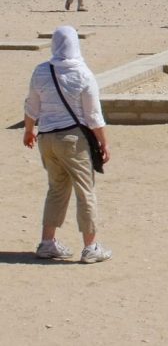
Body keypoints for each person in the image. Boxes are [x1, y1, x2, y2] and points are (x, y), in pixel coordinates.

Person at [23, 26, 112, 264]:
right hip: (73, 140)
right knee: (85, 191)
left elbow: (32, 105)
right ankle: (90, 246)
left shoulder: (41, 71)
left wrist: (29, 130)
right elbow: (93, 115)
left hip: (46, 138)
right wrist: (104, 143)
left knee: (57, 188)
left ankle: (47, 242)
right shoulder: (83, 73)